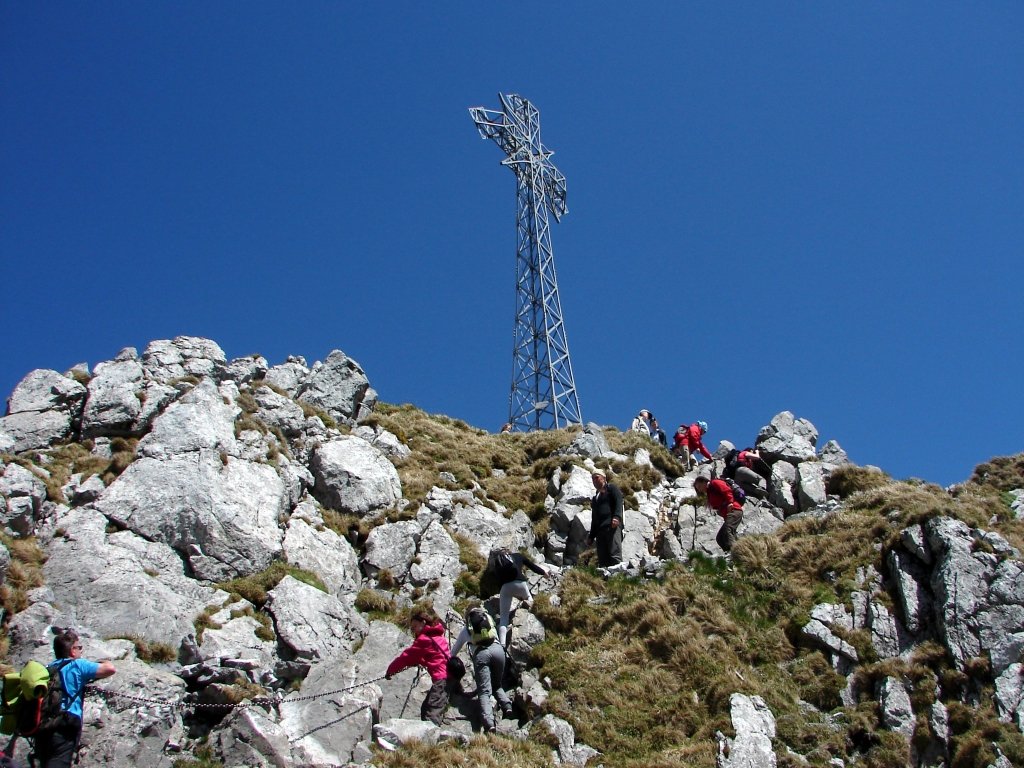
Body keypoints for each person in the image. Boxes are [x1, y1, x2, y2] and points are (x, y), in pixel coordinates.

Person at [35, 629, 116, 768]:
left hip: (43, 725)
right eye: (79, 648)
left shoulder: (48, 668)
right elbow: (110, 669)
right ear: (72, 650)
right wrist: (103, 660)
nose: (81, 651)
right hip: (66, 723)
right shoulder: (77, 665)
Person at [450, 605, 513, 733]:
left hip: (481, 654)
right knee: (497, 684)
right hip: (498, 650)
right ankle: (507, 706)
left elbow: (453, 653)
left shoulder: (467, 630)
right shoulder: (488, 621)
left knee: (484, 691)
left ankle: (489, 724)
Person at [385, 607, 450, 726]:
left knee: (431, 714)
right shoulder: (438, 635)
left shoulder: (423, 640)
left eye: (415, 626)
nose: (414, 630)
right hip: (450, 676)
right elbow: (436, 656)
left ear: (423, 622)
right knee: (426, 708)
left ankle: (431, 741)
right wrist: (420, 660)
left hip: (441, 679)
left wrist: (390, 671)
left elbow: (407, 657)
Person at [487, 548, 550, 646]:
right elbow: (532, 566)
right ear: (509, 552)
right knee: (530, 600)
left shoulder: (498, 563)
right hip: (520, 584)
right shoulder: (518, 556)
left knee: (503, 619)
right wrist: (543, 573)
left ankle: (502, 646)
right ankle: (539, 621)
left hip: (505, 588)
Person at [693, 474, 744, 553]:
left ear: (704, 482)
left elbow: (727, 490)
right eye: (697, 489)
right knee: (720, 538)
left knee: (727, 530)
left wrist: (730, 502)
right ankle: (729, 552)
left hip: (735, 509)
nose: (699, 490)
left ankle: (735, 552)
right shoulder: (709, 493)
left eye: (699, 486)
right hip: (729, 514)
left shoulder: (714, 483)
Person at [588, 468, 624, 568]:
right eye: (593, 479)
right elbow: (594, 518)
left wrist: (616, 517)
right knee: (602, 559)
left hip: (612, 527)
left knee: (614, 555)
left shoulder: (612, 488)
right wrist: (591, 536)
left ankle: (618, 578)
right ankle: (606, 581)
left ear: (604, 478)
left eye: (596, 478)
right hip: (600, 532)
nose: (594, 481)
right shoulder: (595, 498)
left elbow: (619, 501)